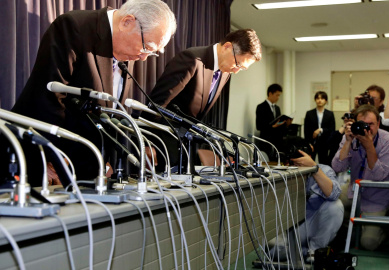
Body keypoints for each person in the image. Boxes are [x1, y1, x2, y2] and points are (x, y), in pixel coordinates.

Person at [9, 0, 177, 186]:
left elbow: (104, 115)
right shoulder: (74, 27)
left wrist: (101, 161)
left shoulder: (126, 48)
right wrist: (53, 156)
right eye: (147, 48)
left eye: (152, 53)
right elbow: (49, 97)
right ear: (127, 22)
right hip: (44, 161)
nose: (144, 58)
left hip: (85, 166)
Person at [149, 28, 262, 120]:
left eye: (242, 68)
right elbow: (156, 104)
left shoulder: (225, 72)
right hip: (160, 138)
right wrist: (149, 142)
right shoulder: (192, 59)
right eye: (238, 64)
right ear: (227, 47)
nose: (236, 71)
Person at [331, 104, 389, 251]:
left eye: (371, 124)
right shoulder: (351, 137)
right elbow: (337, 167)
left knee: (369, 243)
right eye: (363, 124)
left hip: (377, 195)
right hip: (353, 190)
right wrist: (347, 142)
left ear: (378, 124)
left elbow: (378, 175)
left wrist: (369, 146)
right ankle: (349, 228)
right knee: (329, 200)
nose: (366, 129)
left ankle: (388, 232)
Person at [268, 150, 343, 262]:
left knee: (336, 206)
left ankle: (315, 251)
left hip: (314, 221)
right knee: (273, 249)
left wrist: (314, 168)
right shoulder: (281, 172)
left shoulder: (323, 169)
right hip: (290, 227)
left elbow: (334, 194)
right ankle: (305, 252)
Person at [255, 83, 291, 160]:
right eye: (277, 95)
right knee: (267, 162)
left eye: (279, 95)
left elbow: (279, 125)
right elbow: (259, 125)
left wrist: (286, 124)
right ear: (270, 93)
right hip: (266, 140)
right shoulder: (261, 107)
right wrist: (272, 126)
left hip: (277, 141)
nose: (278, 98)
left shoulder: (277, 108)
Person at [304, 91, 335, 165]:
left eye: (322, 98)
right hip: (312, 142)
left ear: (326, 101)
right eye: (318, 98)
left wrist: (321, 130)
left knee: (324, 163)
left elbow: (332, 129)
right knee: (310, 163)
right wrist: (308, 143)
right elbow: (306, 130)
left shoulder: (330, 114)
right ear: (315, 100)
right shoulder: (309, 113)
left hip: (325, 142)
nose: (319, 100)